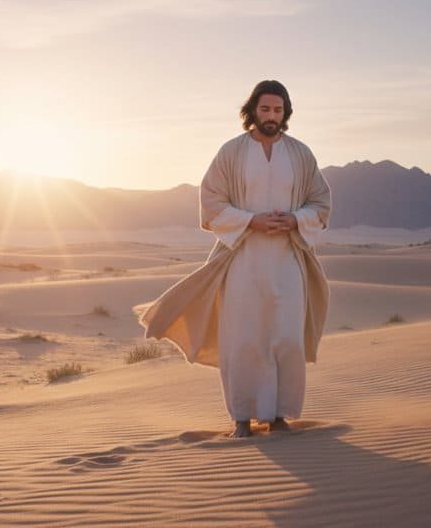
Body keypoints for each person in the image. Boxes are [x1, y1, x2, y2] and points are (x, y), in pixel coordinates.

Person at [140, 80, 331, 438]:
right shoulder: (232, 152)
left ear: (285, 113)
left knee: (286, 338)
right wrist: (250, 221)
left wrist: (295, 219)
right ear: (253, 111)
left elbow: (320, 202)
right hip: (242, 259)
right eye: (265, 109)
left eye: (277, 110)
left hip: (289, 260)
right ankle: (242, 418)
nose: (271, 116)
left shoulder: (301, 154)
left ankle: (278, 416)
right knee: (243, 339)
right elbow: (211, 201)